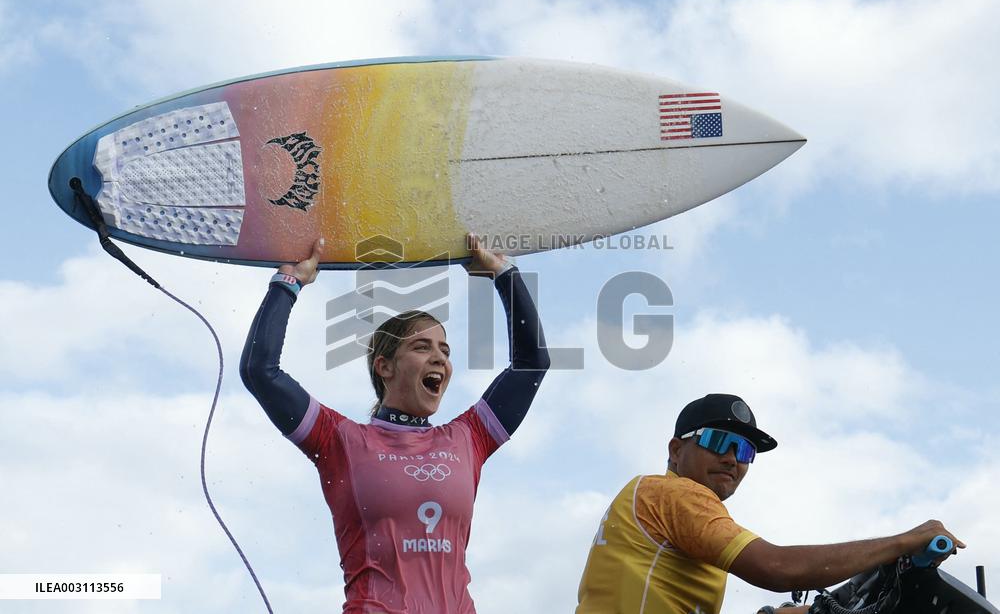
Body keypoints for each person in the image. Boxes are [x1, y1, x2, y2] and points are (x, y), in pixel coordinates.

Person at [240, 235, 550, 613]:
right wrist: (288, 282)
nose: (439, 358)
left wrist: (504, 273)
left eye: (445, 350)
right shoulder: (341, 441)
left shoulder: (468, 438)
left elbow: (532, 364)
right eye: (422, 347)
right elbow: (261, 371)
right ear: (384, 366)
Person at [575, 393, 963, 614]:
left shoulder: (653, 500)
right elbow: (778, 568)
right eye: (717, 441)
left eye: (744, 450)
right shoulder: (675, 494)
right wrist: (901, 543)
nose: (732, 458)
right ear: (676, 450)